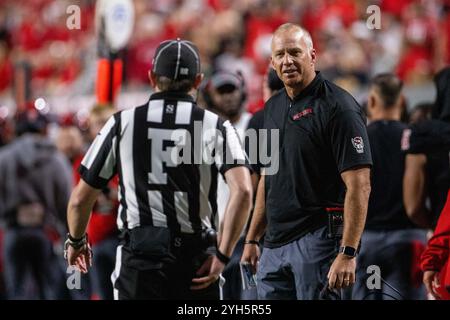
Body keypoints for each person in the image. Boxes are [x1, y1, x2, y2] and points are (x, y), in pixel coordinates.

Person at [65, 39, 253, 300]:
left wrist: (76, 242)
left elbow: (79, 199)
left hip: (140, 257)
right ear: (198, 81)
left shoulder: (121, 122)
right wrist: (223, 254)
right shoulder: (217, 126)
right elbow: (243, 191)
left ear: (152, 76)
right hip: (196, 258)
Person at [241, 23, 373, 300]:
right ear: (272, 62)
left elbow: (359, 184)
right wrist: (253, 238)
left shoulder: (339, 107)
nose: (287, 61)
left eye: (295, 52)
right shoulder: (272, 108)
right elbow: (268, 177)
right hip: (273, 246)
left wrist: (348, 251)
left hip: (317, 242)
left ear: (312, 56)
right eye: (280, 55)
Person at [352, 74, 427, 300]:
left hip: (367, 242)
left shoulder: (358, 140)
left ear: (371, 102)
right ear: (402, 101)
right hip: (406, 241)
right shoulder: (415, 139)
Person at [0, 110, 73, 299]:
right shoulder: (56, 159)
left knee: (16, 291)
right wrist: (68, 233)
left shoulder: (5, 157)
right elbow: (67, 199)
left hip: (13, 231)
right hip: (46, 232)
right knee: (49, 290)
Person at [202, 70, 254, 300]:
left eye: (231, 89)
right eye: (221, 91)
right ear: (210, 94)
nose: (228, 97)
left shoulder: (257, 126)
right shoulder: (203, 131)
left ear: (242, 91)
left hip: (248, 236)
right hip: (213, 237)